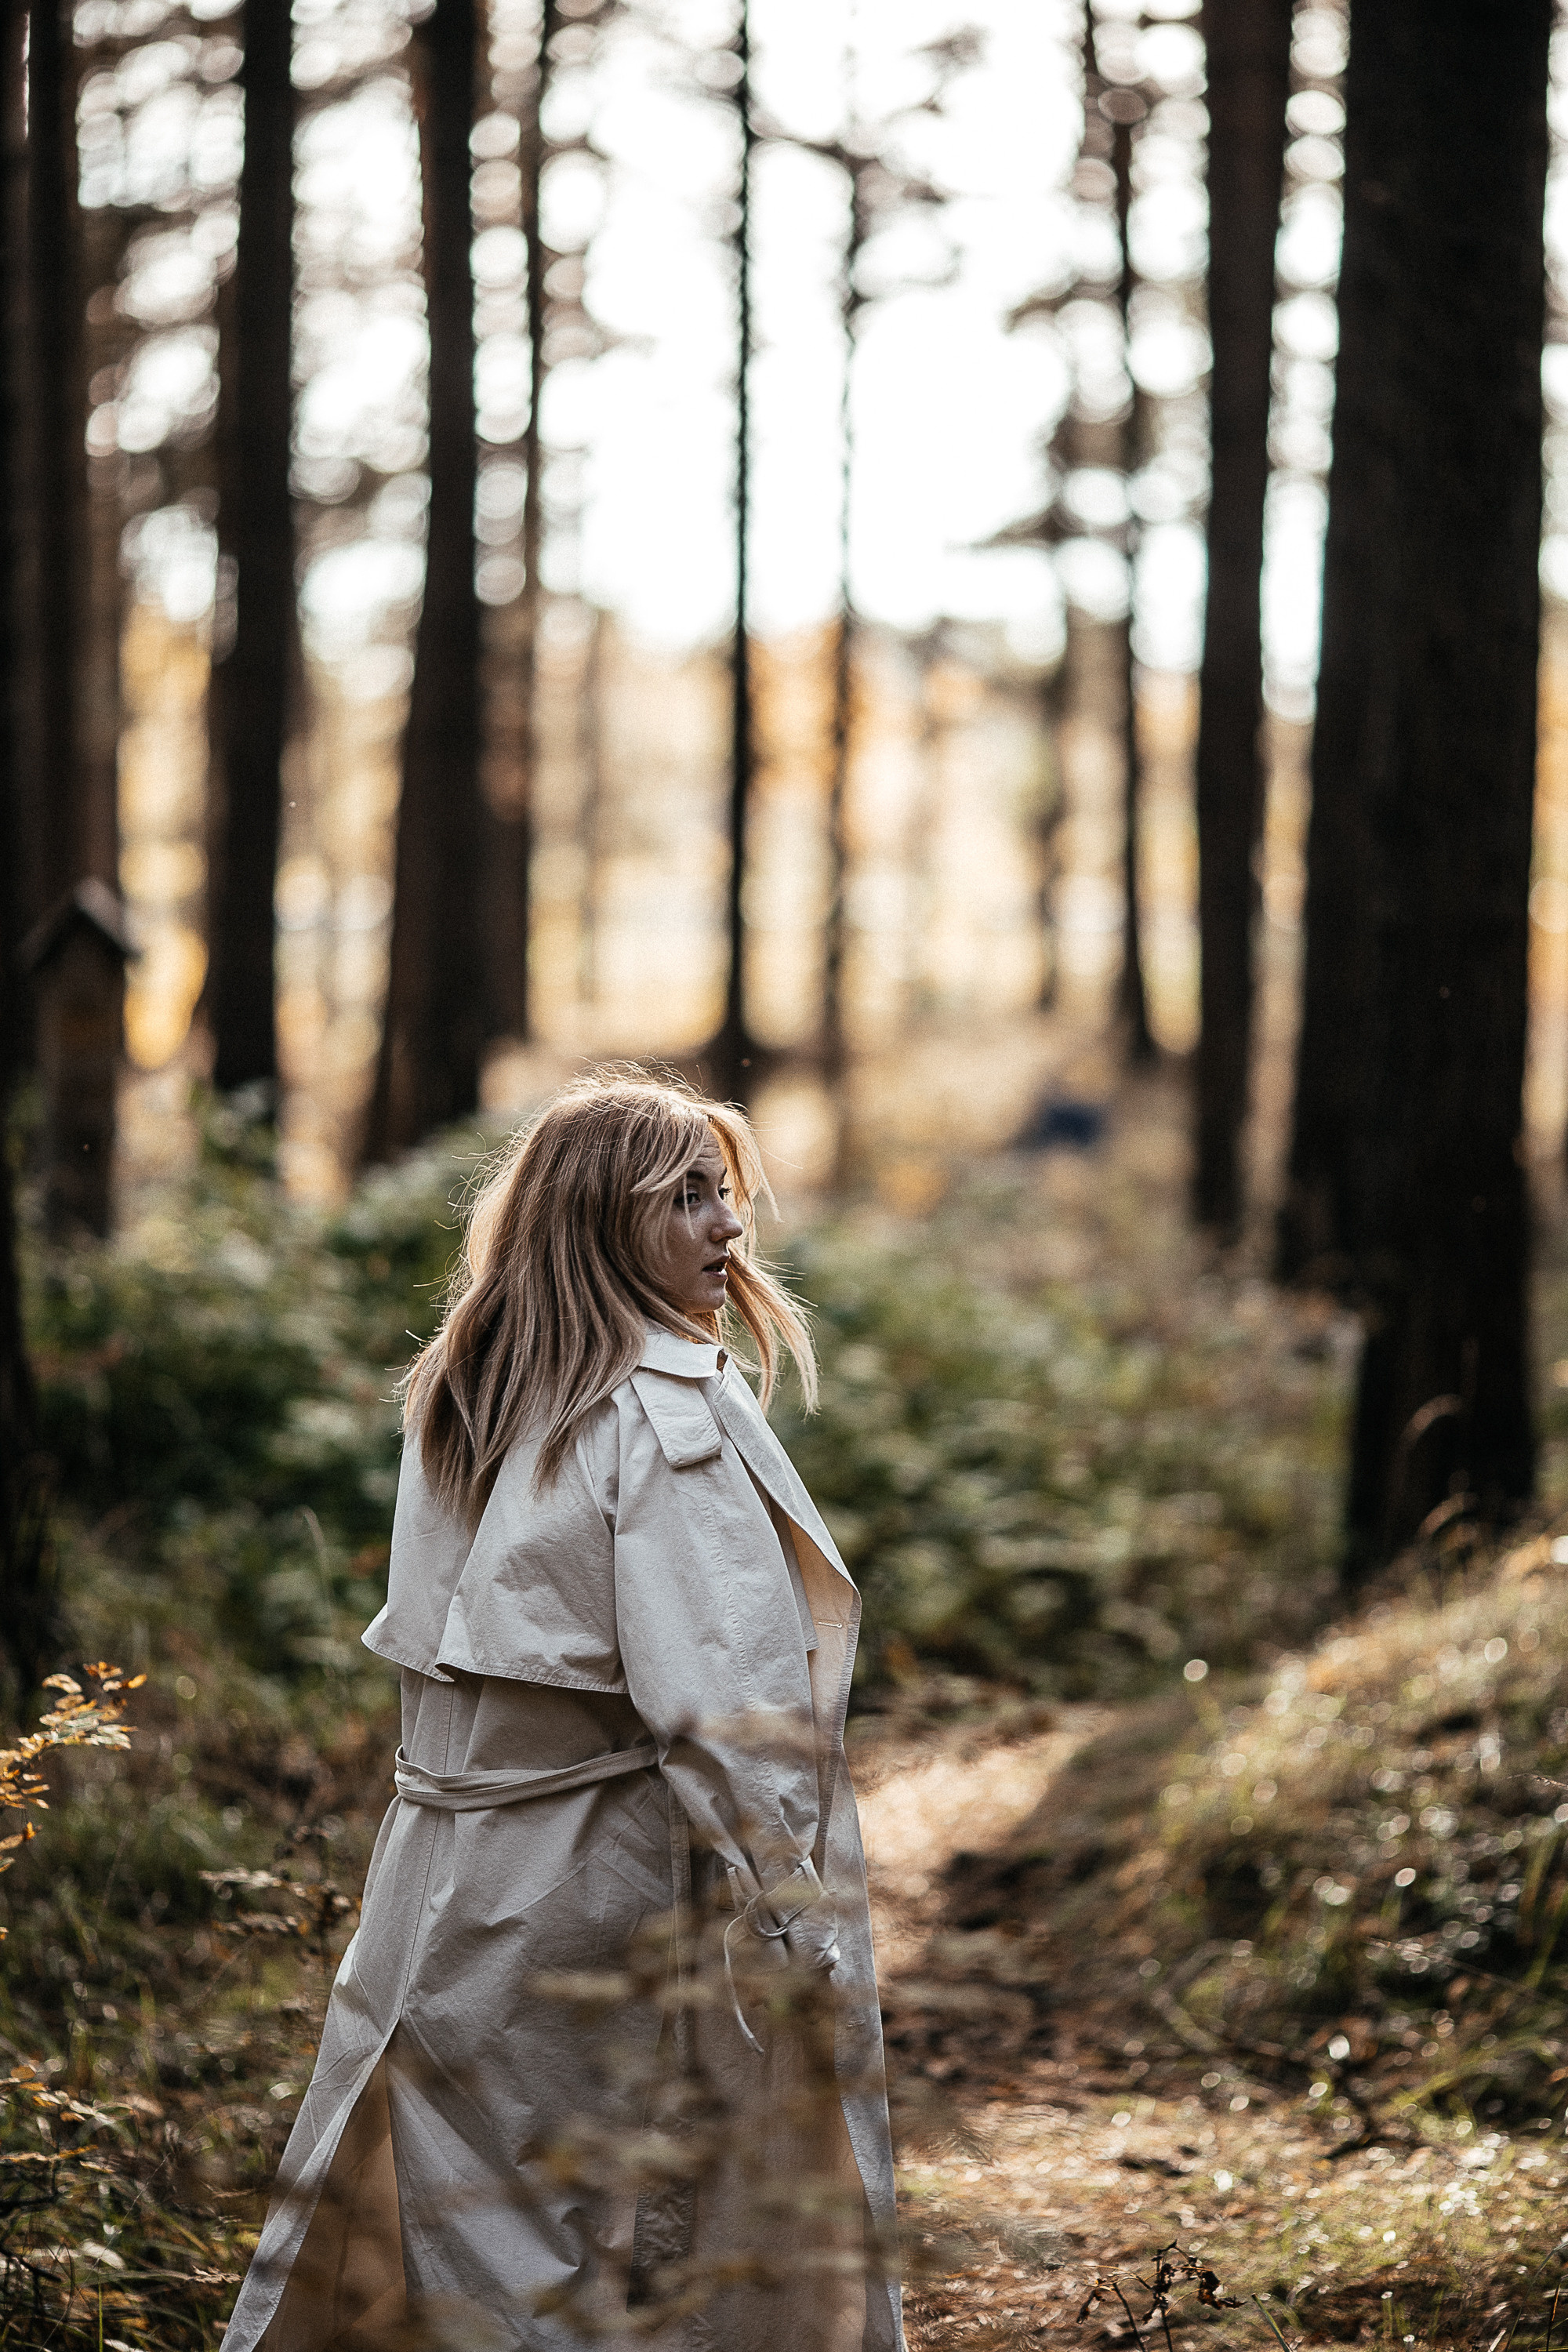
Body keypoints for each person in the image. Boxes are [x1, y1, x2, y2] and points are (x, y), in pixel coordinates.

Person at [223, 1070, 904, 2352]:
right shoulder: (659, 1414)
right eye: (688, 1197)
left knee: (469, 2231)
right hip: (593, 1881)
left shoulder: (470, 1383)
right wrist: (795, 1911)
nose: (729, 1225)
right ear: (600, 1214)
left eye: (725, 1194)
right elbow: (727, 1699)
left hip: (441, 1875)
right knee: (595, 2250)